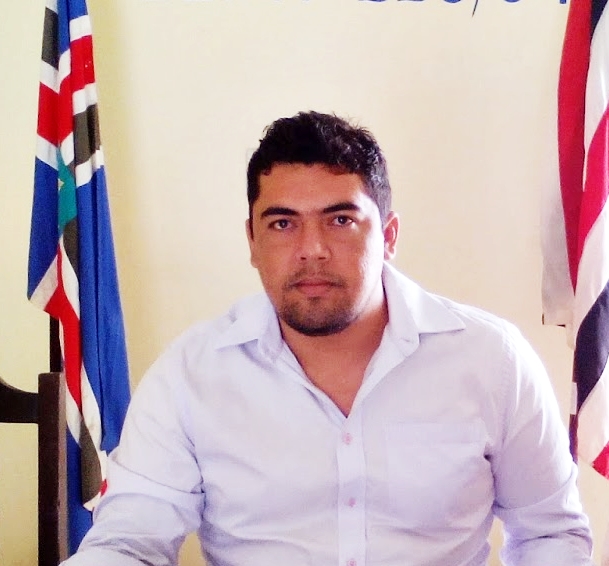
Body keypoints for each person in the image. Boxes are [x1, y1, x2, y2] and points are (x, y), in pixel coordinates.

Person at [61, 111, 594, 566]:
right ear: (252, 240)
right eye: (282, 224)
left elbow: (550, 533)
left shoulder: (492, 360)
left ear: (388, 236)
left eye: (340, 220)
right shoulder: (191, 374)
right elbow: (129, 541)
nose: (311, 249)